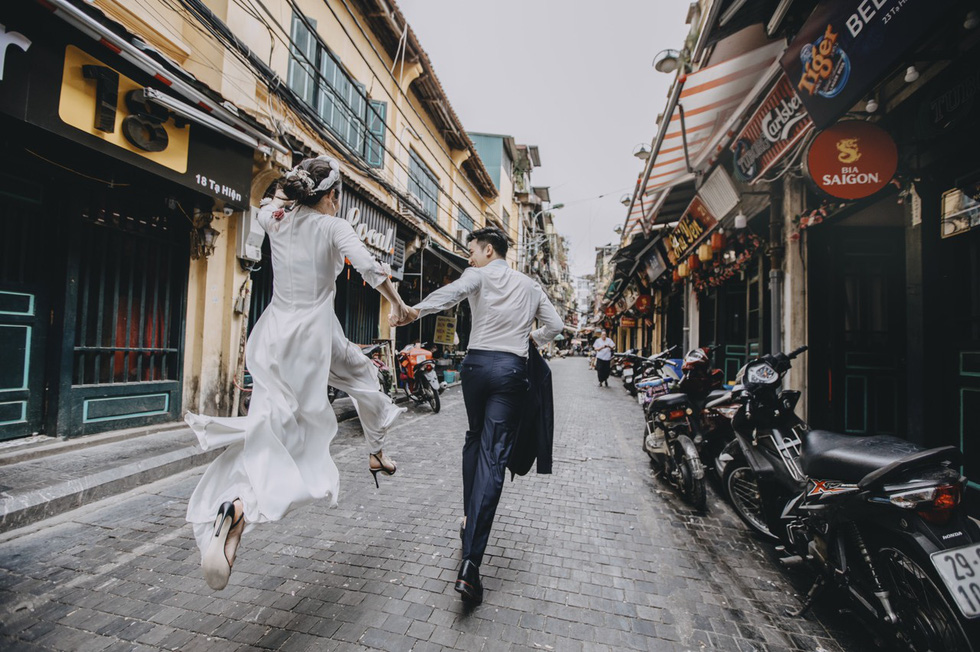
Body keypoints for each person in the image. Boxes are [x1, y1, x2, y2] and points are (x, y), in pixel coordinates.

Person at [184, 155, 412, 591]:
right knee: (351, 391)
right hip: (314, 335)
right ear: (332, 196)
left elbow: (271, 199)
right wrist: (399, 304)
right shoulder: (333, 227)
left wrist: (287, 193)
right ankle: (375, 452)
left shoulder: (274, 217)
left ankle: (236, 506)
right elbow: (368, 266)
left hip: (272, 335)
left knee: (269, 429)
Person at [392, 226, 563, 604]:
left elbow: (449, 294)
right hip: (510, 370)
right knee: (493, 455)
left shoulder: (477, 275)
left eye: (472, 251)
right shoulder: (530, 286)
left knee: (474, 438)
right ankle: (471, 562)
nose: (468, 257)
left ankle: (468, 518)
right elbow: (556, 326)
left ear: (488, 250)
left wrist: (413, 311)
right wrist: (530, 340)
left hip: (475, 367)